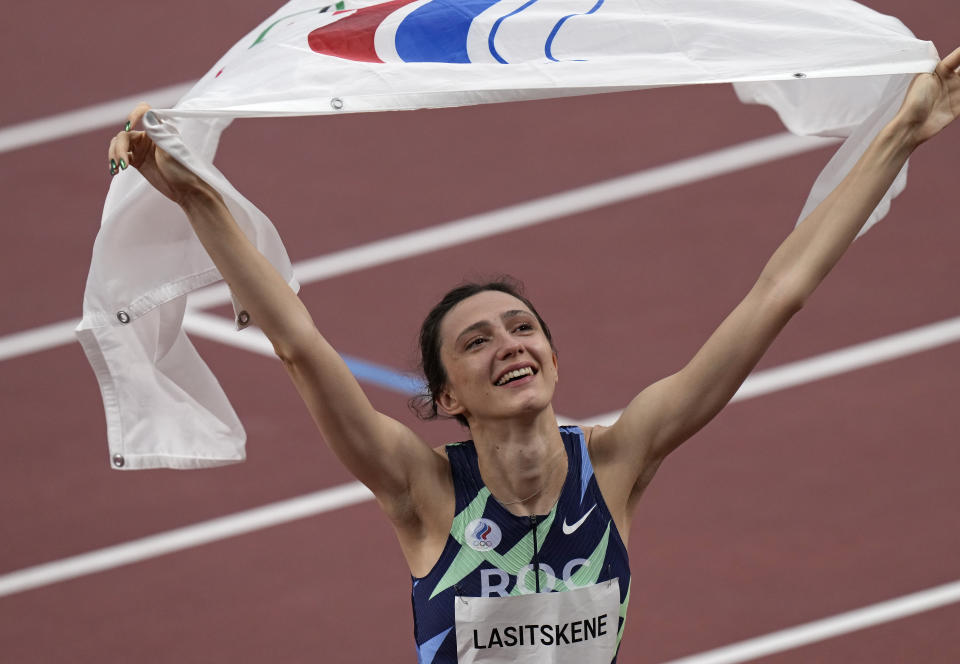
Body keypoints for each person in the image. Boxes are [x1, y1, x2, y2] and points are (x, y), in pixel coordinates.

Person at [107, 48, 960, 663]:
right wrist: (191, 194)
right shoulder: (421, 491)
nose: (510, 344)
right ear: (446, 398)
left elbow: (779, 294)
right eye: (476, 341)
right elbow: (296, 345)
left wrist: (901, 135)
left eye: (522, 327)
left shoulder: (620, 461)